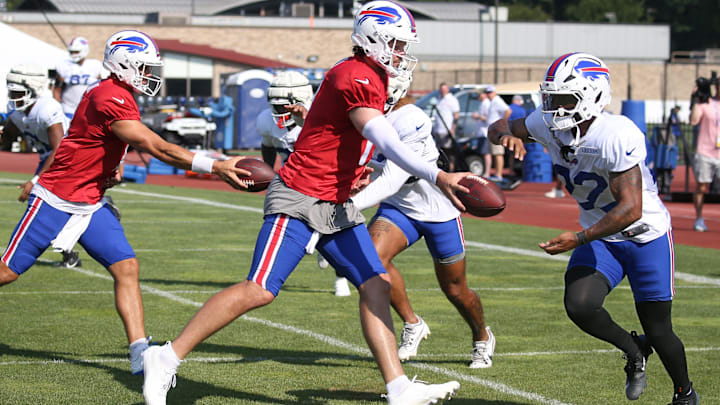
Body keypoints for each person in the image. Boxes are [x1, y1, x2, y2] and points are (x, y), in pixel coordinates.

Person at [142, 2, 468, 404]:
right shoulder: (355, 74)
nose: (402, 52)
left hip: (335, 201)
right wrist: (440, 175)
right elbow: (385, 139)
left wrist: (354, 171)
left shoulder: (370, 77)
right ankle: (167, 357)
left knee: (377, 285)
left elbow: (343, 139)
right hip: (300, 195)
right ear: (374, 39)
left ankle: (398, 387)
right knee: (260, 289)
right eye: (397, 43)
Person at [0, 30, 250, 377]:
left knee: (126, 267)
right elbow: (155, 146)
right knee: (7, 272)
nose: (151, 76)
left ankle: (139, 353)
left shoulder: (119, 94)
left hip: (90, 200)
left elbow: (108, 140)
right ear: (124, 65)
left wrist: (112, 164)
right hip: (57, 197)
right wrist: (215, 165)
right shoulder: (109, 95)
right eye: (145, 68)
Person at [489, 52, 698, 405]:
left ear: (591, 96)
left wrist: (579, 238)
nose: (553, 107)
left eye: (562, 99)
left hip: (642, 237)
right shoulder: (546, 124)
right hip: (602, 238)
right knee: (580, 305)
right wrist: (504, 137)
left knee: (660, 330)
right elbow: (500, 125)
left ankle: (685, 393)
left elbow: (631, 209)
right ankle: (634, 352)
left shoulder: (614, 133)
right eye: (550, 98)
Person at [353, 76, 495, 368]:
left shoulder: (410, 117)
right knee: (370, 259)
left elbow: (394, 177)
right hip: (399, 207)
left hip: (438, 210)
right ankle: (412, 323)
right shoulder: (361, 116)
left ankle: (482, 336)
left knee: (455, 290)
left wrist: (347, 205)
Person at [257, 70, 351, 297]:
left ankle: (341, 276)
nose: (278, 112)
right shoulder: (265, 120)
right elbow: (268, 145)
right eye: (275, 106)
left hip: (327, 181)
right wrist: (267, 174)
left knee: (338, 228)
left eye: (283, 107)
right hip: (293, 184)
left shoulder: (323, 118)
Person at [1, 64, 86, 267]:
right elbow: (6, 138)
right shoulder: (18, 112)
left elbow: (59, 150)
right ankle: (69, 253)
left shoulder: (46, 108)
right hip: (49, 160)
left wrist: (36, 180)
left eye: (18, 92)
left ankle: (99, 209)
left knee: (44, 209)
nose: (14, 97)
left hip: (68, 160)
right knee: (48, 210)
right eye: (11, 92)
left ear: (33, 90)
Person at [689, 92, 720, 232]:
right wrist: (696, 100)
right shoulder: (706, 103)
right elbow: (693, 121)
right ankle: (699, 218)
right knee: (701, 187)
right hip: (705, 151)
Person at [54, 36, 106, 119]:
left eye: (76, 52)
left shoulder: (95, 65)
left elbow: (101, 87)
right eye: (72, 52)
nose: (74, 54)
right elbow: (57, 89)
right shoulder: (63, 65)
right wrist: (57, 106)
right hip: (68, 108)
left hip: (88, 108)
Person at [430, 82, 460, 171]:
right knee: (439, 152)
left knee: (449, 152)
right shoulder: (439, 99)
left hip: (447, 130)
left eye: (444, 89)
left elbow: (456, 116)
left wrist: (453, 129)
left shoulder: (452, 100)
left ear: (447, 90)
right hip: (438, 130)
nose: (443, 91)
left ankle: (451, 170)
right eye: (441, 90)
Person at [484, 85, 511, 181]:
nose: (489, 95)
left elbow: (508, 110)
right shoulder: (492, 102)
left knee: (498, 153)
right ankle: (497, 174)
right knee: (495, 153)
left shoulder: (497, 101)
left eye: (490, 92)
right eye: (487, 93)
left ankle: (499, 175)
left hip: (497, 131)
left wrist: (502, 122)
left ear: (495, 92)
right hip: (493, 131)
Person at [471, 90, 492, 178]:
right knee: (483, 153)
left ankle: (487, 172)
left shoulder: (487, 104)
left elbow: (488, 118)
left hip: (485, 132)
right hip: (481, 132)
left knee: (486, 153)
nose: (478, 96)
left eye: (479, 94)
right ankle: (486, 171)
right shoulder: (482, 104)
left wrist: (478, 116)